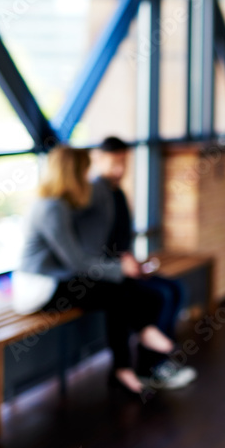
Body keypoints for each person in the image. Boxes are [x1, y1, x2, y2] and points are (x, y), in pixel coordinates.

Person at [13, 146, 180, 395]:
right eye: (83, 171)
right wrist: (118, 268)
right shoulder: (51, 208)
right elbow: (77, 262)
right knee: (115, 292)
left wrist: (117, 267)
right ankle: (137, 342)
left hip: (56, 281)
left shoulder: (61, 204)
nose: (87, 178)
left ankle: (124, 367)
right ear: (72, 173)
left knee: (118, 293)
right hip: (39, 288)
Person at [75, 136, 195, 389]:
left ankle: (156, 362)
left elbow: (120, 240)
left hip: (121, 268)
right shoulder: (95, 193)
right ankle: (150, 367)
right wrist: (120, 265)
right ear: (99, 159)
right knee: (158, 295)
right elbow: (88, 248)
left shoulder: (117, 193)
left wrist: (131, 261)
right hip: (105, 275)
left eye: (123, 161)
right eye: (114, 161)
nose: (120, 168)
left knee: (174, 288)